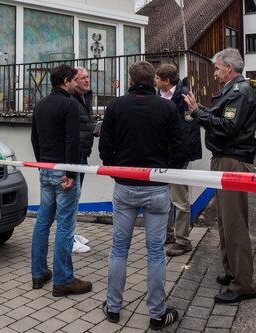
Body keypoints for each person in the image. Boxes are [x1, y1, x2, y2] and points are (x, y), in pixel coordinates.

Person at [99, 61, 186, 330]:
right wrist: (165, 171)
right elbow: (180, 148)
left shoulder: (115, 106)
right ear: (153, 81)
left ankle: (113, 307)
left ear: (130, 80)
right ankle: (157, 313)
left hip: (125, 186)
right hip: (156, 186)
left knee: (119, 248)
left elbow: (104, 147)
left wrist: (117, 172)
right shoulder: (167, 107)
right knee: (156, 253)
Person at [182, 48, 256, 303]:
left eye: (216, 68)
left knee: (235, 224)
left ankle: (242, 285)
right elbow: (218, 117)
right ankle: (232, 272)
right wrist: (200, 110)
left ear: (229, 68)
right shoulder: (231, 90)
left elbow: (227, 127)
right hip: (225, 158)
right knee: (226, 222)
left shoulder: (239, 91)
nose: (214, 73)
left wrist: (197, 113)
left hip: (233, 161)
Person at [30, 64, 92, 297]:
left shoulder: (41, 104)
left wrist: (42, 164)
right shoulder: (69, 105)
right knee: (65, 225)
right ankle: (64, 279)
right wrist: (72, 174)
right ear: (66, 81)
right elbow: (72, 142)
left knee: (42, 222)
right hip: (64, 171)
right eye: (75, 79)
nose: (78, 82)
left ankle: (38, 273)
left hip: (45, 169)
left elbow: (34, 138)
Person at [155, 64, 202, 257]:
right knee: (163, 199)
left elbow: (188, 131)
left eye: (157, 78)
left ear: (167, 81)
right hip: (161, 157)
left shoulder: (183, 97)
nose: (154, 81)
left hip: (177, 158)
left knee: (180, 201)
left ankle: (183, 241)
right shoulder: (158, 96)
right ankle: (167, 235)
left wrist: (178, 157)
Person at [71, 67, 94, 253]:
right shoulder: (71, 100)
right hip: (74, 156)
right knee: (70, 197)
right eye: (83, 78)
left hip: (83, 153)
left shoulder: (85, 97)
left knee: (76, 195)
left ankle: (72, 232)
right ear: (74, 81)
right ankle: (68, 239)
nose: (87, 80)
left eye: (88, 77)